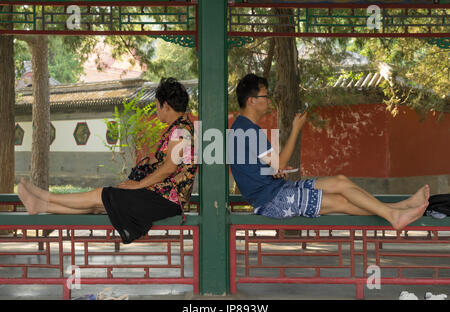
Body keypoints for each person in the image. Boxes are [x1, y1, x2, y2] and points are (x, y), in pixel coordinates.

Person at [228, 73, 429, 231]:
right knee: (340, 201)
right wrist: (296, 129)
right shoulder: (247, 129)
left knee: (339, 181)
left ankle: (400, 208)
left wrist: (273, 171)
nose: (269, 101)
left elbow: (257, 168)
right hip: (271, 201)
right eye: (265, 96)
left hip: (277, 189)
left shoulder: (243, 127)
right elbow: (278, 163)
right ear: (252, 100)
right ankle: (395, 213)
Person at [18, 78, 198, 244]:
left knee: (103, 195)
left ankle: (44, 197)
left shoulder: (181, 131)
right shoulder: (181, 127)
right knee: (101, 204)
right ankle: (41, 204)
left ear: (166, 105)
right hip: (164, 197)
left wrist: (139, 185)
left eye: (157, 106)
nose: (157, 110)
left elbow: (168, 168)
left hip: (167, 200)